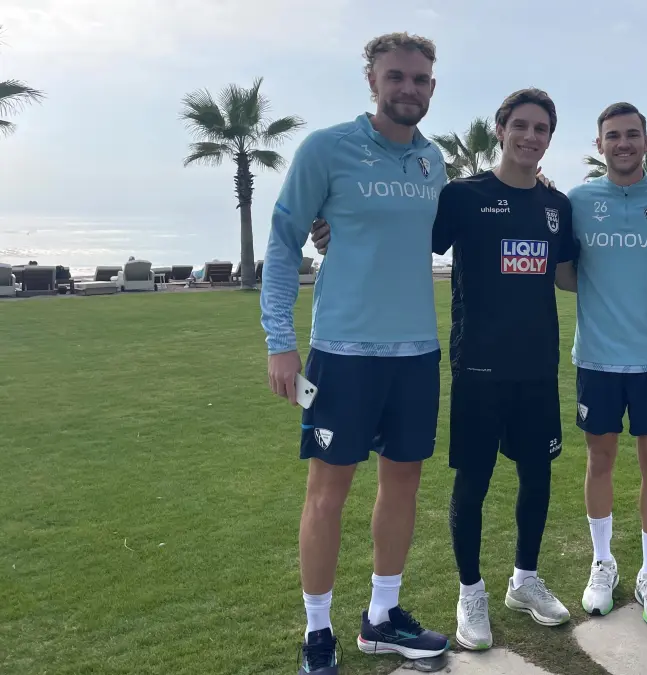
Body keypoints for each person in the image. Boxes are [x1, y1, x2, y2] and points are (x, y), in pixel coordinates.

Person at [259, 32, 451, 675]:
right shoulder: (327, 148)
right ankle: (317, 631)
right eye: (396, 76)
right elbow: (284, 241)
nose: (408, 89)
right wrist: (281, 343)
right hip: (341, 353)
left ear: (432, 86)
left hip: (417, 353)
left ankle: (381, 618)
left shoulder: (433, 162)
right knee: (327, 492)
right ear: (372, 80)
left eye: (419, 79)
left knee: (403, 486)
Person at [431, 87, 578, 651]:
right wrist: (334, 230)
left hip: (537, 367)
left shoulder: (556, 206)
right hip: (478, 366)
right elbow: (410, 240)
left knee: (537, 476)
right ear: (500, 129)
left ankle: (524, 580)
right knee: (473, 481)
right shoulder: (463, 196)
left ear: (549, 138)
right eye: (520, 125)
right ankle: (471, 592)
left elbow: (568, 276)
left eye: (541, 129)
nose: (530, 137)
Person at [557, 102, 647, 628]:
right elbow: (564, 273)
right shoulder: (577, 201)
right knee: (599, 461)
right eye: (613, 135)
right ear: (599, 144)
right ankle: (603, 564)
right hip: (597, 359)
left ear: (646, 140)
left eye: (632, 134)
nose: (623, 143)